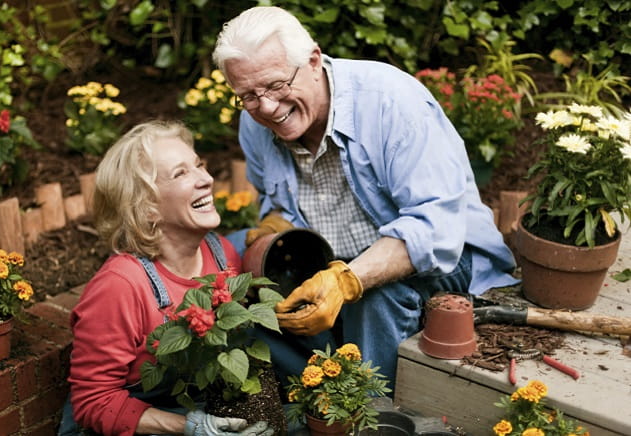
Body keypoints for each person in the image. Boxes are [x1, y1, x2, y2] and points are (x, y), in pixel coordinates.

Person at [212, 6, 519, 391]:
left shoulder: (392, 103)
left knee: (373, 300)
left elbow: (436, 229)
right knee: (237, 261)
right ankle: (317, 395)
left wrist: (347, 280)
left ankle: (371, 411)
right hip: (332, 257)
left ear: (313, 60)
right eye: (249, 95)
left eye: (275, 86)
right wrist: (275, 224)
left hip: (446, 257)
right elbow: (276, 205)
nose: (268, 108)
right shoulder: (254, 123)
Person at [60, 120, 272, 435]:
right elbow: (94, 402)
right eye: (181, 173)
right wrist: (190, 427)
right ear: (147, 209)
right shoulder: (120, 286)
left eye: (199, 165)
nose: (207, 179)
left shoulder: (221, 253)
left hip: (192, 407)